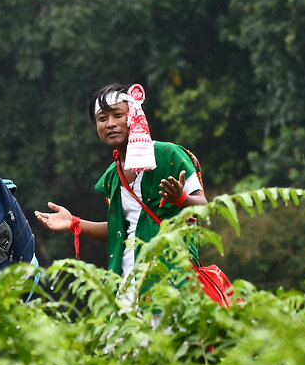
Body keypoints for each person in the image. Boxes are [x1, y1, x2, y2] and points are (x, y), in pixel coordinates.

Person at [34, 83, 207, 291]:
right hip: (127, 281)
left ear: (133, 117)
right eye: (102, 118)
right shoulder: (112, 176)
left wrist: (181, 199)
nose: (110, 124)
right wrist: (74, 223)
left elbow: (204, 208)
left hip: (173, 278)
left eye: (117, 115)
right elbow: (119, 228)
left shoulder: (168, 155)